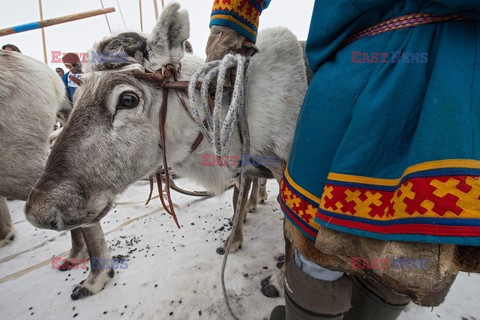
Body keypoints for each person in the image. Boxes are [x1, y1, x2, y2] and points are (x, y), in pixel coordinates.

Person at [205, 1, 480, 319]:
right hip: (460, 78)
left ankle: (309, 310)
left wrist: (230, 25)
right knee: (409, 241)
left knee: (315, 224)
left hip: (353, 67)